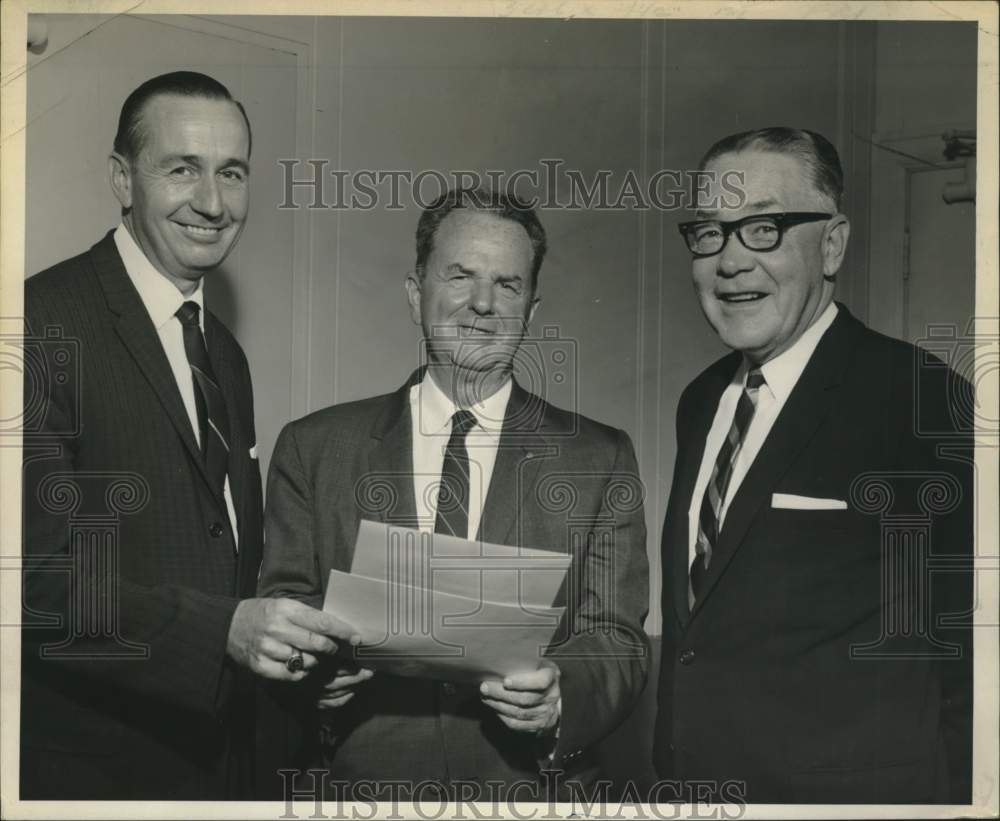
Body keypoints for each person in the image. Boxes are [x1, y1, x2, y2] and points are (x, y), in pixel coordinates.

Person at [21, 71, 355, 800]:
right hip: (92, 779)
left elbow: (221, 556)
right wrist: (222, 633)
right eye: (182, 169)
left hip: (221, 771)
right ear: (121, 178)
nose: (212, 202)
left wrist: (296, 654)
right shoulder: (36, 327)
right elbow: (33, 582)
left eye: (231, 173)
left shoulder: (224, 354)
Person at [256, 188, 650, 801]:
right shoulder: (314, 447)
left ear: (531, 309)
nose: (483, 303)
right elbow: (284, 604)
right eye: (460, 276)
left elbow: (617, 638)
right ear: (416, 294)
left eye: (507, 284)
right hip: (361, 792)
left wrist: (560, 696)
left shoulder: (600, 458)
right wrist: (309, 671)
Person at [653, 127, 973, 803]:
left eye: (762, 229)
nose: (730, 262)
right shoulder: (701, 400)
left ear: (832, 245)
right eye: (709, 232)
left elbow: (972, 648)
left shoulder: (920, 398)